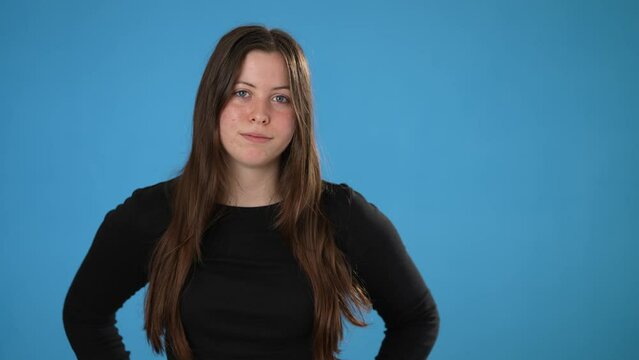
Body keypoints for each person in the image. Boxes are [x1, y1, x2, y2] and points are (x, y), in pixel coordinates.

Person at [62, 25, 440, 360]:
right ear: (212, 101)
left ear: (300, 116)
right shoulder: (156, 213)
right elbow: (84, 314)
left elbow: (417, 320)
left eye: (280, 98)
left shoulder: (339, 214)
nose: (259, 114)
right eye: (242, 92)